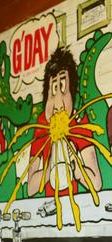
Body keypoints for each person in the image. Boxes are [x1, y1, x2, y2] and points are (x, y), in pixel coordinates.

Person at [28, 46, 101, 197]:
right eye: (52, 92)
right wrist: (49, 168)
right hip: (49, 206)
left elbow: (96, 182)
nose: (57, 104)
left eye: (63, 89)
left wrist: (75, 164)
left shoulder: (79, 121)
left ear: (73, 94)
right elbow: (31, 188)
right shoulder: (42, 124)